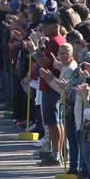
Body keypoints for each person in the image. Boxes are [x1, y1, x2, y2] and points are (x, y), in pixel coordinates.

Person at [23, 13, 66, 167]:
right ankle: (58, 154)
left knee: (53, 123)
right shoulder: (55, 40)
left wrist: (33, 51)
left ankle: (56, 155)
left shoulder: (55, 41)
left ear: (56, 26)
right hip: (53, 86)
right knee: (56, 122)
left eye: (47, 25)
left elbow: (44, 63)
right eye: (43, 25)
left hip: (50, 87)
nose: (43, 28)